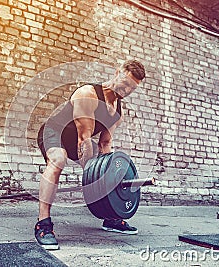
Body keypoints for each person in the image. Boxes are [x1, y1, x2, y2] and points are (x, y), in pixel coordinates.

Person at [35, 60, 146, 250]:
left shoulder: (118, 113)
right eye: (126, 83)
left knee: (107, 169)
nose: (127, 90)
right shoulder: (88, 94)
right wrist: (95, 179)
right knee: (58, 160)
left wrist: (107, 178)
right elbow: (84, 138)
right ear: (117, 71)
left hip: (79, 139)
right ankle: (43, 224)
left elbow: (105, 144)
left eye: (132, 88)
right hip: (55, 132)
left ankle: (110, 217)